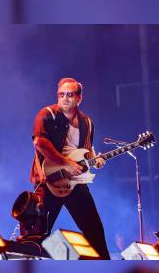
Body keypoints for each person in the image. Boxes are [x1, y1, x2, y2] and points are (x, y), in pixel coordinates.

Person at [30, 77, 110, 259]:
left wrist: (95, 159)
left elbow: (87, 150)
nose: (65, 98)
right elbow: (40, 142)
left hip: (75, 183)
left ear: (79, 98)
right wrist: (66, 163)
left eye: (70, 95)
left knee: (95, 230)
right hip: (49, 179)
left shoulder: (87, 123)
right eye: (61, 94)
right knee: (38, 234)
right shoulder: (47, 114)